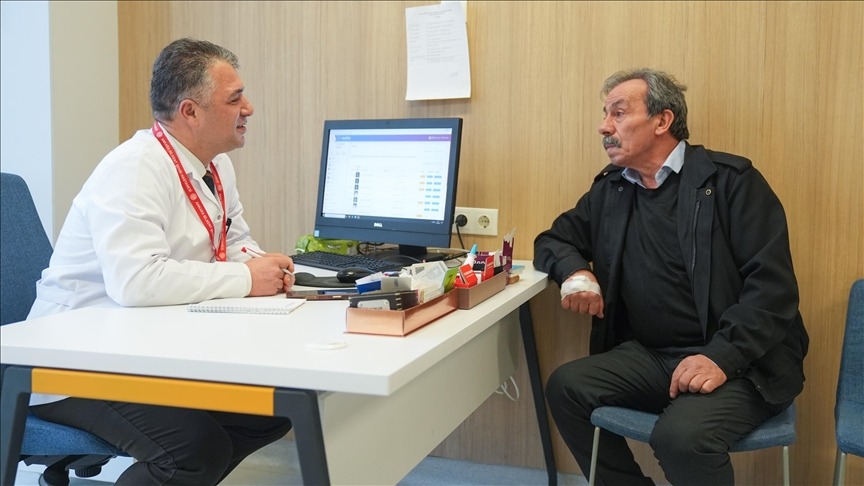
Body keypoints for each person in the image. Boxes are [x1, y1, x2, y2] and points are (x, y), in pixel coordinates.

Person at [27, 38, 295, 485]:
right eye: (235, 99)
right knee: (194, 451)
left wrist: (265, 265)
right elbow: (136, 282)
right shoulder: (133, 168)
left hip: (141, 348)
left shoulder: (215, 165)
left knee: (269, 411)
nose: (248, 108)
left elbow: (232, 241)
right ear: (190, 112)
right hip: (73, 362)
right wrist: (247, 279)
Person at [534, 68, 808, 485]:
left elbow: (772, 290)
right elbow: (553, 239)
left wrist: (721, 357)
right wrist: (574, 271)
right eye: (605, 115)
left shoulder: (733, 183)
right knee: (566, 387)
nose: (604, 127)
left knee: (682, 437)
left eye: (618, 113)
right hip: (651, 357)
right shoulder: (612, 190)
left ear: (662, 120)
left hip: (742, 360)